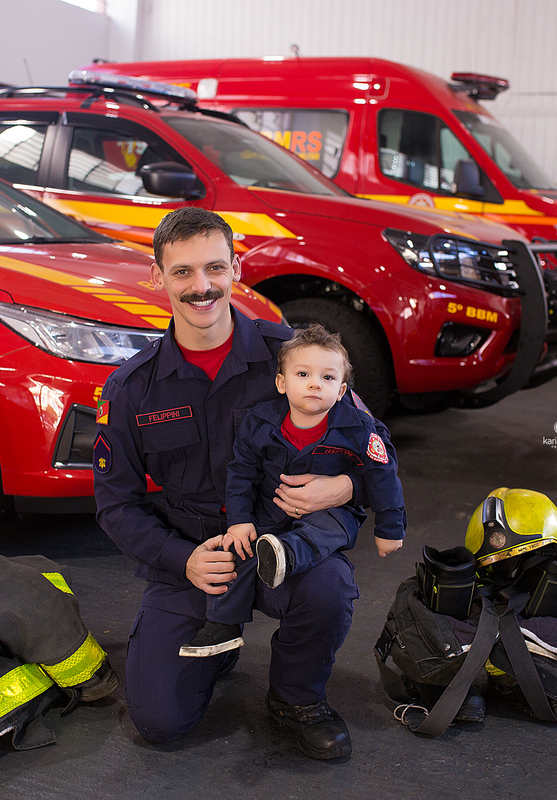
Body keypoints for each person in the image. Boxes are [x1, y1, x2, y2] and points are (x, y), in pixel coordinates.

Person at [93, 207, 389, 760]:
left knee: (328, 588)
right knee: (159, 722)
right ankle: (216, 644)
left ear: (236, 268)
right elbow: (116, 505)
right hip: (196, 557)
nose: (201, 286)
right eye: (182, 272)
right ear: (157, 276)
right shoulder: (133, 388)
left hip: (281, 545)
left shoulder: (297, 359)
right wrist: (182, 559)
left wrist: (346, 487)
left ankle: (296, 698)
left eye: (214, 268)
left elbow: (375, 450)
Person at [179, 324, 405, 659]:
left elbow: (383, 475)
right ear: (282, 383)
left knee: (329, 528)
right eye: (303, 374)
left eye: (328, 378)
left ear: (342, 391)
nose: (315, 383)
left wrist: (390, 529)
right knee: (237, 547)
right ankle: (222, 625)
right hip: (269, 509)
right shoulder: (259, 422)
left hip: (330, 512)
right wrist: (239, 521)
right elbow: (241, 474)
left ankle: (287, 555)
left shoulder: (359, 428)